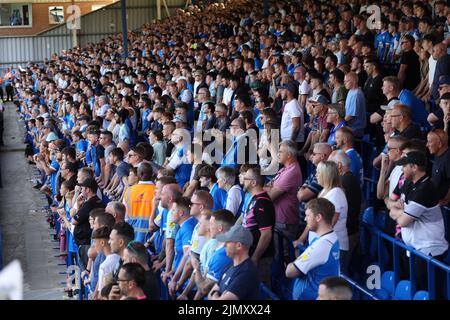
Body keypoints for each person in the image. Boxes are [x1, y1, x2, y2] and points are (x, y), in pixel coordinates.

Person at [387, 151, 449, 293]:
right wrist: (401, 212)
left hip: (430, 252)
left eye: (404, 166)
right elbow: (391, 206)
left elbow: (402, 222)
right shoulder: (410, 183)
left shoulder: (425, 189)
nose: (402, 169)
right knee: (417, 290)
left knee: (429, 292)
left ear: (414, 167)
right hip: (416, 249)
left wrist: (400, 213)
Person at [286, 198, 340, 300]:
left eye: (308, 215)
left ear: (318, 217)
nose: (305, 219)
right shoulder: (332, 237)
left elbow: (289, 272)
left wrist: (291, 264)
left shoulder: (321, 246)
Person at [265, 140, 302, 255]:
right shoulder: (284, 168)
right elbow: (267, 187)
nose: (277, 154)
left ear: (289, 155)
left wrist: (270, 188)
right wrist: (270, 188)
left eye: (280, 152)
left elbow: (270, 196)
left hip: (285, 222)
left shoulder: (291, 172)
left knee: (284, 256)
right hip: (280, 220)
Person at [241, 166, 275, 286]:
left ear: (254, 182)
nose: (243, 180)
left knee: (261, 290)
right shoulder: (254, 198)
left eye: (246, 178)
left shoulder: (262, 202)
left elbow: (266, 234)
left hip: (260, 257)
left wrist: (255, 257)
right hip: (250, 252)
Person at [208, 224, 261, 300]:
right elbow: (211, 292)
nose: (224, 245)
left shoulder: (247, 272)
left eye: (228, 242)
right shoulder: (230, 266)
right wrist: (216, 294)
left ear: (238, 246)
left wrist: (216, 294)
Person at [194, 209, 235, 300]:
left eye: (211, 224)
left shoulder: (223, 255)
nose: (209, 227)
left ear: (220, 228)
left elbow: (203, 289)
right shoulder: (221, 248)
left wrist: (196, 269)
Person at [315, 161, 349, 273]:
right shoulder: (324, 191)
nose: (316, 175)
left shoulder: (336, 193)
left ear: (326, 174)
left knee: (335, 285)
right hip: (325, 244)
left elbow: (330, 224)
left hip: (336, 246)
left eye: (318, 172)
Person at [122, 162, 156, 242]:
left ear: (139, 174)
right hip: (152, 236)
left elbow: (125, 217)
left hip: (133, 235)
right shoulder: (158, 190)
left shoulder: (129, 191)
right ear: (152, 174)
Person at [91, 226, 120, 294]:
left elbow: (101, 294)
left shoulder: (104, 266)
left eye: (95, 242)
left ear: (102, 243)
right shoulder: (120, 258)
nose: (94, 245)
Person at [426, 129, 450, 206]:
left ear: (439, 144)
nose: (427, 145)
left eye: (429, 142)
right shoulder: (438, 153)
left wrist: (446, 200)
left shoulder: (448, 158)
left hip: (444, 206)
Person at [344, 72, 366, 138]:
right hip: (350, 126)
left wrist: (340, 123)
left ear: (353, 81)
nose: (344, 83)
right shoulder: (350, 91)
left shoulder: (356, 94)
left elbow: (350, 116)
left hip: (356, 128)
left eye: (346, 81)